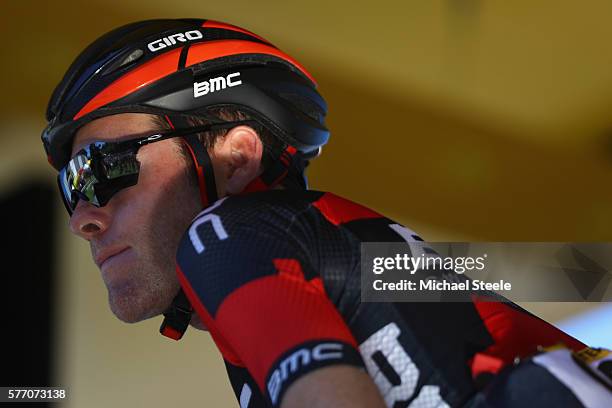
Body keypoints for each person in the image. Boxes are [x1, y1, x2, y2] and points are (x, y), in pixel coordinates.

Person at [42, 18, 611, 408]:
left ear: (236, 158)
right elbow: (572, 275)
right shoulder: (330, 250)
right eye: (72, 186)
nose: (82, 217)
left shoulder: (225, 235)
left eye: (103, 167)